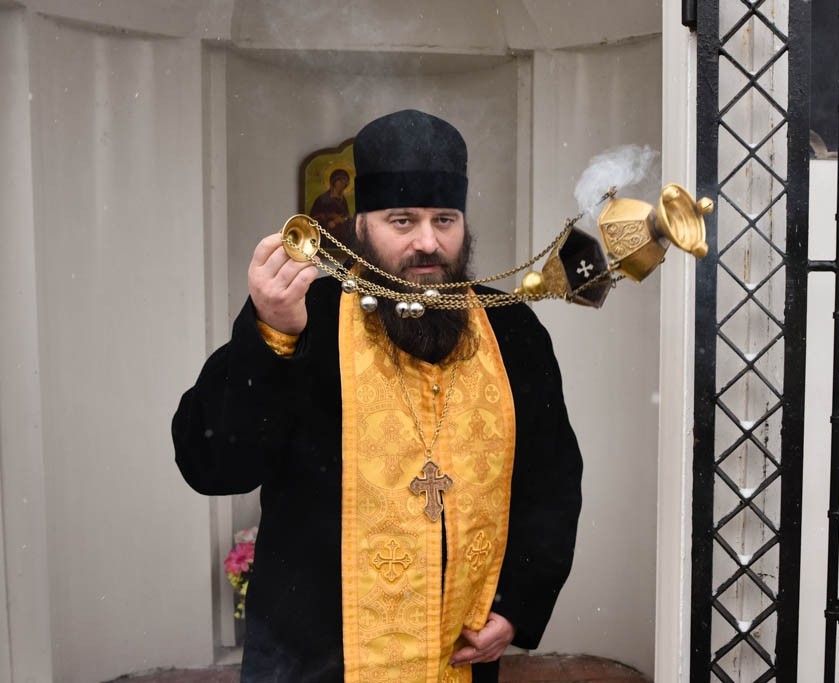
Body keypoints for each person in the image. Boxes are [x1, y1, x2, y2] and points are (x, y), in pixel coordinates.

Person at [173, 109, 584, 682]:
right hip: (314, 659)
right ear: (361, 226)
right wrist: (269, 334)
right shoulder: (304, 314)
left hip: (456, 657)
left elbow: (551, 479)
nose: (428, 242)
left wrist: (517, 603)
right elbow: (213, 465)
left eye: (445, 219)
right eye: (402, 220)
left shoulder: (510, 329)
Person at [310, 168, 353, 243]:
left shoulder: (343, 200)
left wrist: (343, 219)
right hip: (326, 235)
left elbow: (346, 216)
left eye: (345, 182)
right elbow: (313, 218)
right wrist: (331, 219)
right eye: (340, 181)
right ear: (333, 182)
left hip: (341, 235)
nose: (342, 184)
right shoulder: (322, 199)